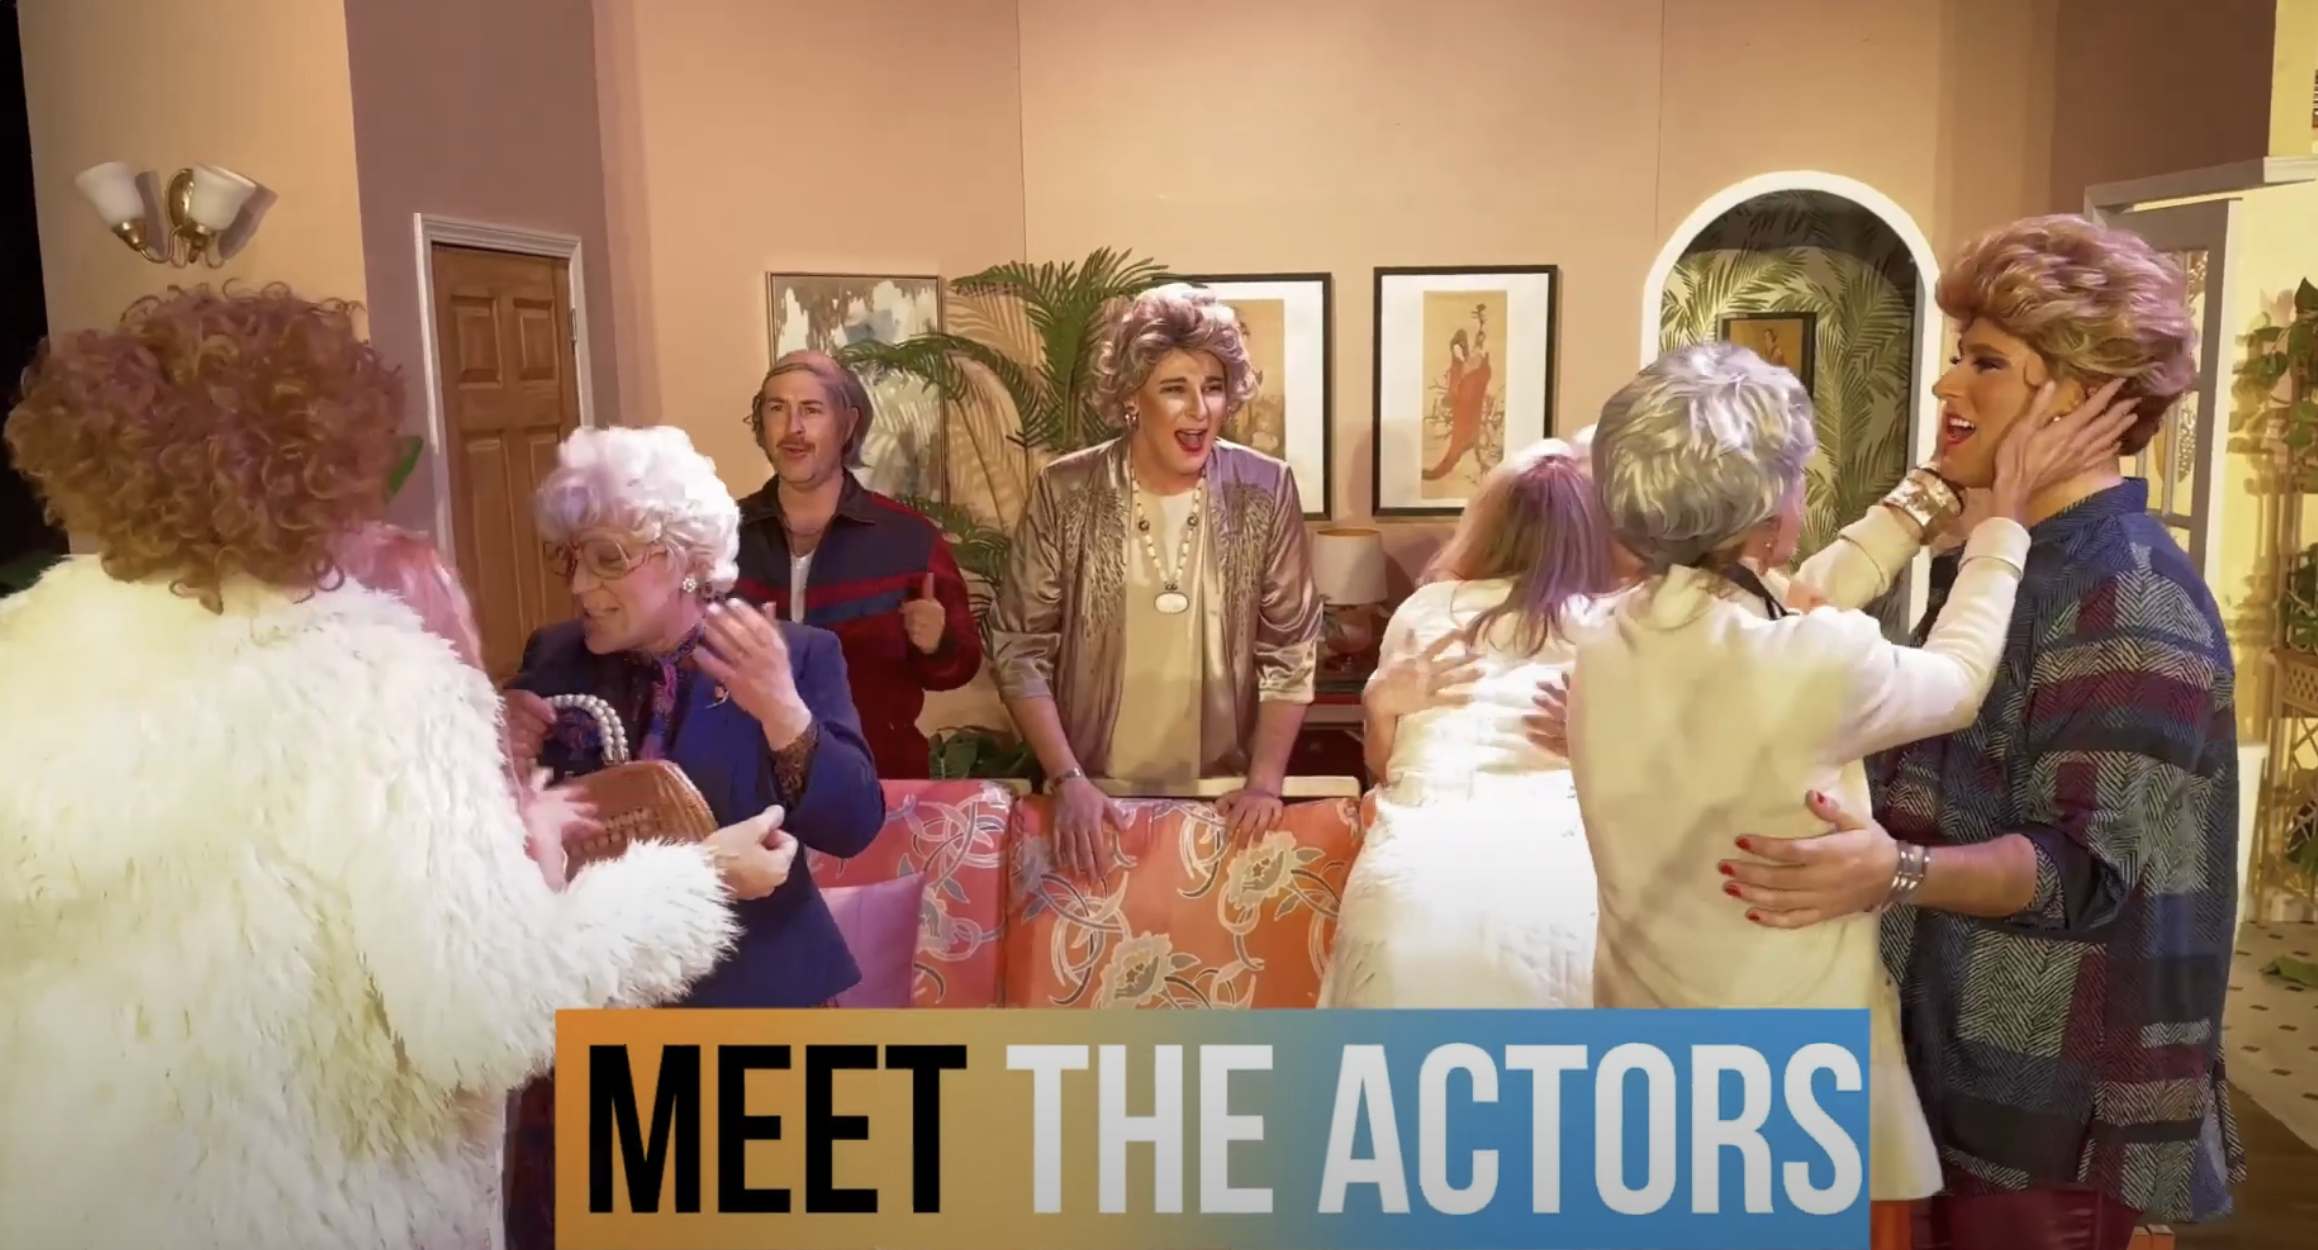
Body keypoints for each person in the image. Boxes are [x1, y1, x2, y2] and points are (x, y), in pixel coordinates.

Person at [0, 285, 768, 1250]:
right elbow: (488, 1011)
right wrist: (694, 883)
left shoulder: (20, 649)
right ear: (320, 466)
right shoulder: (380, 679)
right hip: (309, 1207)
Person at [1717, 215, 2243, 1250]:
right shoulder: (2013, 557)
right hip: (1955, 1068)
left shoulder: (2129, 592)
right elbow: (1802, 617)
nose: (1943, 383)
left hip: (2052, 1112)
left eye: (1984, 362)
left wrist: (1891, 870)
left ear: (2077, 395)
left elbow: (2082, 871)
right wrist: (1937, 491)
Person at [1562, 340, 2133, 1250]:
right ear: (1771, 511)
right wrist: (2003, 522)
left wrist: (1929, 493)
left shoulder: (1605, 637)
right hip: (1788, 1096)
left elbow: (1801, 595)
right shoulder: (1802, 664)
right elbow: (1956, 679)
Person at [499, 423, 887, 1250]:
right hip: (592, 1022)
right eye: (570, 558)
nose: (581, 586)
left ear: (684, 558)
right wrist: (498, 757)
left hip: (751, 1017)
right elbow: (509, 851)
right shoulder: (552, 659)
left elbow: (854, 824)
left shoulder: (794, 654)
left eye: (607, 558)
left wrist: (784, 714)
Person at [989, 283, 1324, 872]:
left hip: (1225, 799)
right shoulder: (1067, 490)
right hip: (1093, 798)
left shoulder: (1265, 487)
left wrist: (1264, 784)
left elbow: (1290, 647)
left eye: (1213, 387)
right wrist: (1067, 779)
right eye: (1175, 388)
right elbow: (1019, 648)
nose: (1200, 409)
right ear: (1131, 396)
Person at [1321, 439, 1613, 1009]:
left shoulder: (1426, 609)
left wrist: (1377, 705)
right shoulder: (1613, 627)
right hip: (1558, 892)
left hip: (1413, 888)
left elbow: (1385, 769)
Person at [734, 350, 982, 778]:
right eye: (777, 409)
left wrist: (937, 643)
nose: (793, 428)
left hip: (876, 779)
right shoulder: (724, 534)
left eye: (811, 410)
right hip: (750, 783)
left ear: (847, 425)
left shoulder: (908, 539)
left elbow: (960, 665)